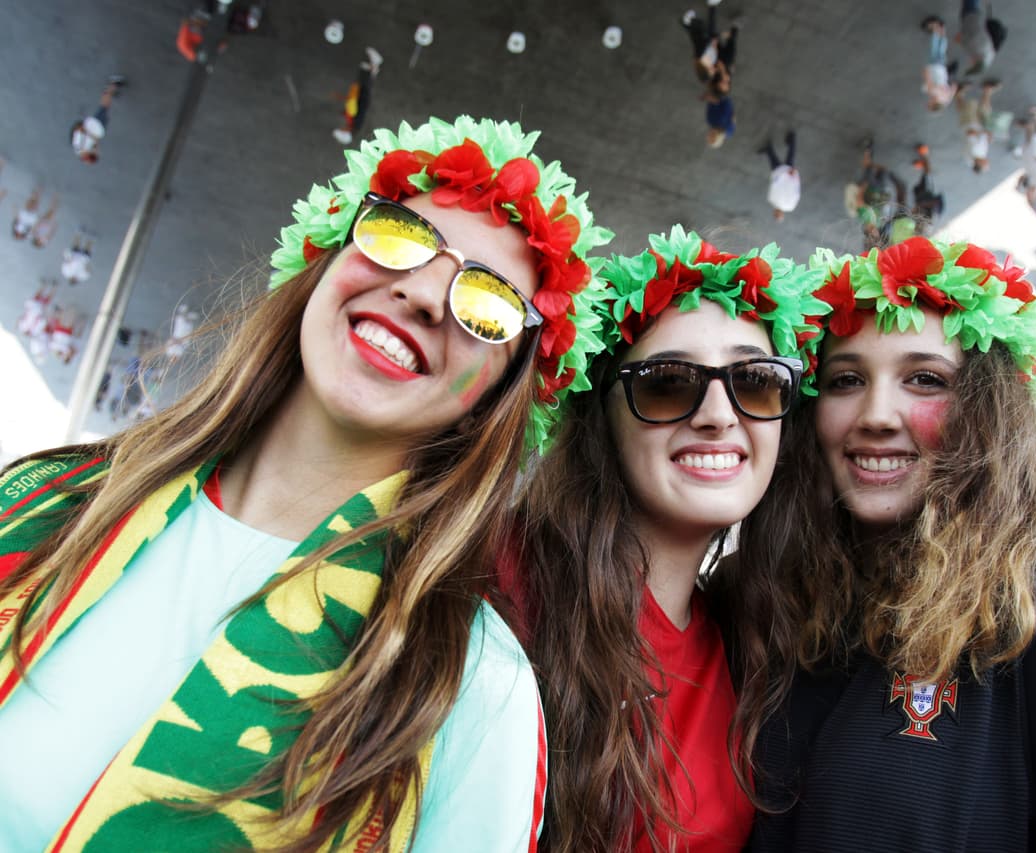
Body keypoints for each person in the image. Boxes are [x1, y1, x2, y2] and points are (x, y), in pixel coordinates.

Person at [0, 114, 613, 851]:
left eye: (486, 304)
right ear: (326, 259)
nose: (422, 294)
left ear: (500, 392)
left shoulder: (474, 686)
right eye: (400, 235)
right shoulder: (45, 499)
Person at [746, 236, 1036, 851]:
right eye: (846, 379)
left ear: (986, 411)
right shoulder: (776, 585)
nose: (876, 414)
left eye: (925, 379)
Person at [515, 227, 828, 852]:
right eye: (667, 382)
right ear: (599, 416)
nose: (718, 414)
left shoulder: (756, 635)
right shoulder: (506, 589)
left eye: (756, 381)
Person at [70, 76, 127, 164]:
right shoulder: (87, 149)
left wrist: (94, 137)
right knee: (105, 108)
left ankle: (112, 85)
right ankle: (110, 92)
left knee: (104, 106)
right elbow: (94, 144)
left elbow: (79, 130)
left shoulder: (79, 146)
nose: (96, 152)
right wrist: (96, 144)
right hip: (99, 128)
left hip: (94, 124)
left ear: (86, 156)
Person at [333, 48, 382, 144]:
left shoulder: (352, 123)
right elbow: (355, 105)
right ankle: (375, 63)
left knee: (365, 81)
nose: (342, 127)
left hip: (361, 97)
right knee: (366, 82)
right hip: (362, 97)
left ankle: (371, 68)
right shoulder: (356, 123)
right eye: (342, 129)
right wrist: (342, 97)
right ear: (347, 132)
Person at [759, 130, 800, 221]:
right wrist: (795, 177)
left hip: (780, 176)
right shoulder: (789, 205)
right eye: (777, 214)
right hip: (788, 177)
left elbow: (774, 186)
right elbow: (796, 192)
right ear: (781, 214)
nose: (776, 213)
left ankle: (769, 149)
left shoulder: (773, 201)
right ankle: (792, 139)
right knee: (789, 157)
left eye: (775, 214)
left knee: (777, 161)